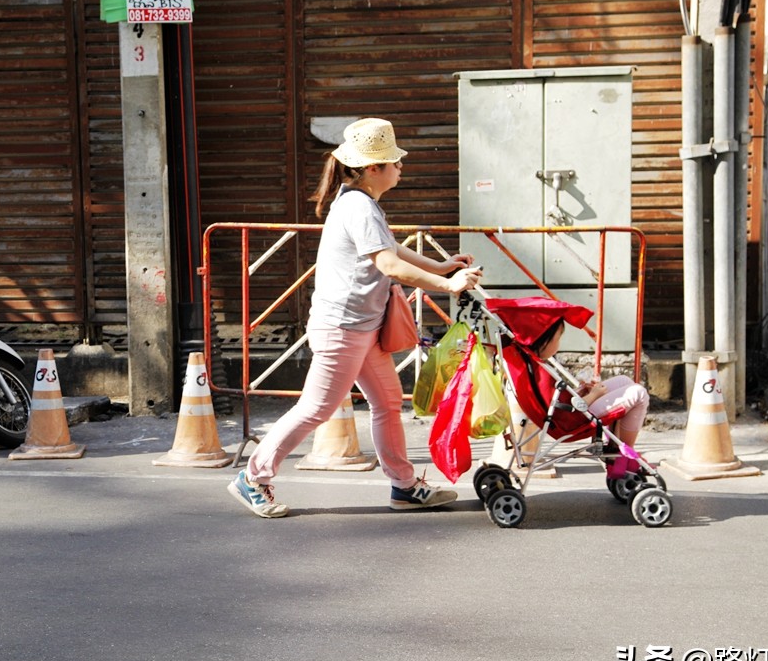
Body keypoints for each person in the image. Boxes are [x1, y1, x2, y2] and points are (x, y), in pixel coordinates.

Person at [228, 118, 483, 518]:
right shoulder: (359, 206)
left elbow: (389, 247)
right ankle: (253, 477)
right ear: (372, 169)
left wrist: (439, 265)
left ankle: (403, 486)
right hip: (342, 328)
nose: (401, 168)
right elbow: (389, 265)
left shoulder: (358, 202)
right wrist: (447, 284)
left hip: (361, 328)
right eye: (395, 162)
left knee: (386, 402)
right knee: (317, 408)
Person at [528, 319, 650, 478]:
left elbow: (556, 400)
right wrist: (594, 395)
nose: (559, 344)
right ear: (544, 342)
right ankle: (623, 455)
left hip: (569, 409)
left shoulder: (535, 365)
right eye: (558, 339)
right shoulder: (541, 372)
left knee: (623, 382)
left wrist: (582, 392)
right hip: (571, 418)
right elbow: (567, 407)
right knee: (639, 393)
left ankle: (615, 448)